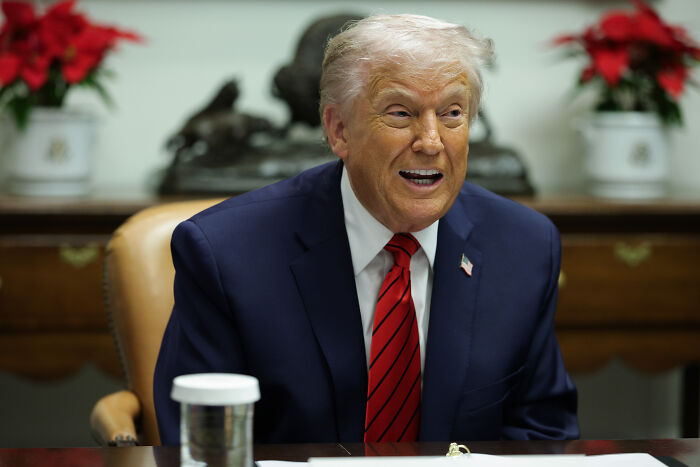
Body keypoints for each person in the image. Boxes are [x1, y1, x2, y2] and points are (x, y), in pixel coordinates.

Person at [154, 13, 579, 445]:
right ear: (339, 130)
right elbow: (201, 446)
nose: (431, 142)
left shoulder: (524, 247)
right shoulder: (227, 254)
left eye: (452, 113)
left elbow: (543, 433)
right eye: (401, 113)